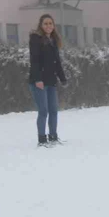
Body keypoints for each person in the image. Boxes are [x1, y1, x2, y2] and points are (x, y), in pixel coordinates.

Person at [28, 14, 67, 147]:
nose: (48, 26)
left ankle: (53, 136)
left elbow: (57, 62)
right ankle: (42, 139)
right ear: (41, 25)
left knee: (54, 110)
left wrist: (62, 78)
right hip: (39, 81)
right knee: (43, 111)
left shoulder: (53, 40)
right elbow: (34, 60)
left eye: (50, 23)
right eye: (46, 23)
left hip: (51, 81)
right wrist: (38, 79)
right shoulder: (35, 39)